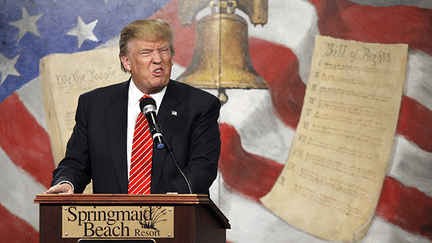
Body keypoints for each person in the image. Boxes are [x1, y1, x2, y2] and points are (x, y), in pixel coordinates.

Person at [45, 19, 221, 195]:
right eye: (146, 52)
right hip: (111, 220)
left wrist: (156, 207)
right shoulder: (94, 105)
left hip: (173, 217)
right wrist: (67, 183)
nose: (158, 59)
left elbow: (202, 169)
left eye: (164, 50)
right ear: (127, 62)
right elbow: (76, 163)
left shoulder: (200, 106)